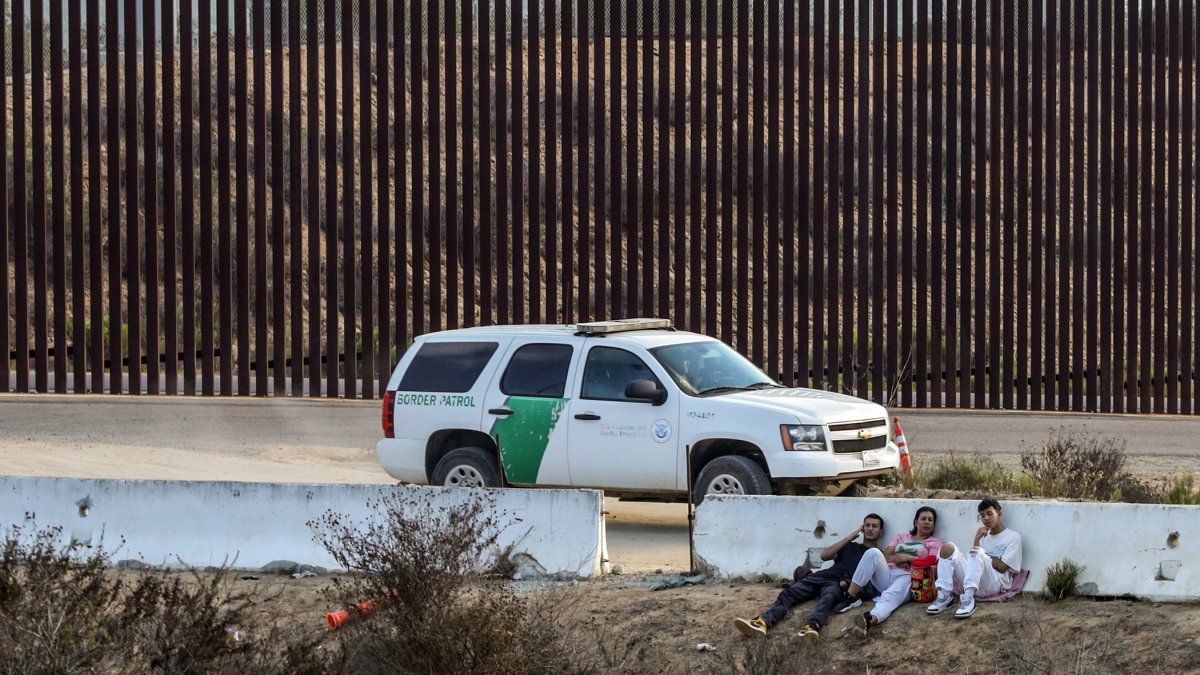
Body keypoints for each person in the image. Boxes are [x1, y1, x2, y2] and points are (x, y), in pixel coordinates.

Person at [733, 513, 885, 643]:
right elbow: (824, 556)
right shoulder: (851, 546)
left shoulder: (878, 557)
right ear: (862, 528)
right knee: (790, 593)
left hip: (838, 584)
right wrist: (849, 537)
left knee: (828, 599)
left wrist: (849, 585)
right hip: (822, 576)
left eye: (874, 526)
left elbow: (873, 584)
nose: (870, 529)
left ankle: (811, 628)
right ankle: (762, 623)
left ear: (881, 532)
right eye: (867, 525)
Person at [837, 505, 943, 637]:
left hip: (910, 578)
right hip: (887, 574)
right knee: (873, 552)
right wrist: (897, 558)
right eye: (923, 519)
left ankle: (869, 619)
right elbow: (885, 556)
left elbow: (933, 566)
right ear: (916, 522)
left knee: (891, 594)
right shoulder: (902, 537)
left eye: (930, 520)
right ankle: (850, 597)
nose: (927, 522)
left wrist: (908, 558)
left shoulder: (935, 542)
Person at [925, 497, 1023, 619]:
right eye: (982, 515)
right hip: (974, 584)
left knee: (976, 551)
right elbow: (974, 563)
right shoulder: (983, 538)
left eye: (989, 514)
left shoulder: (1013, 537)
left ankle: (968, 600)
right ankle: (945, 596)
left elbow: (1002, 567)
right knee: (947, 548)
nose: (986, 518)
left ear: (999, 514)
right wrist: (977, 540)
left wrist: (981, 553)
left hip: (995, 584)